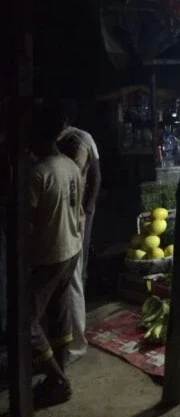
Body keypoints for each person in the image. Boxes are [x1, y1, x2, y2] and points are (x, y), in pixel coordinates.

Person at [27, 105, 84, 408]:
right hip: (71, 250)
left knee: (25, 321)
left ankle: (58, 379)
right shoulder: (69, 166)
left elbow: (26, 220)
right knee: (59, 316)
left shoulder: (39, 173)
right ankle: (55, 379)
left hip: (51, 254)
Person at [55, 99, 101, 364]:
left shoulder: (79, 139)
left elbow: (95, 176)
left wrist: (88, 208)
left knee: (74, 276)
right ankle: (65, 340)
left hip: (76, 216)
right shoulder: (53, 142)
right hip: (64, 217)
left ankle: (74, 344)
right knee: (70, 277)